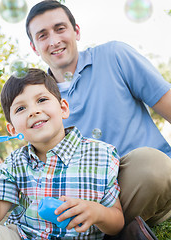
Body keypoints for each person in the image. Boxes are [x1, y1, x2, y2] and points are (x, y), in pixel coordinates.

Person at [25, 0, 171, 226]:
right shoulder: (39, 102)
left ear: (76, 31)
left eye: (60, 28)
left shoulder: (114, 55)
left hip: (153, 180)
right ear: (34, 47)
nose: (54, 41)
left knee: (152, 165)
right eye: (42, 35)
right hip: (97, 201)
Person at [0, 68, 124, 240]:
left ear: (63, 108)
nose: (33, 111)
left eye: (42, 99)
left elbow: (117, 222)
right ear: (12, 129)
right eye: (20, 109)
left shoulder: (101, 154)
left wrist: (97, 212)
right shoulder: (14, 163)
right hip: (24, 236)